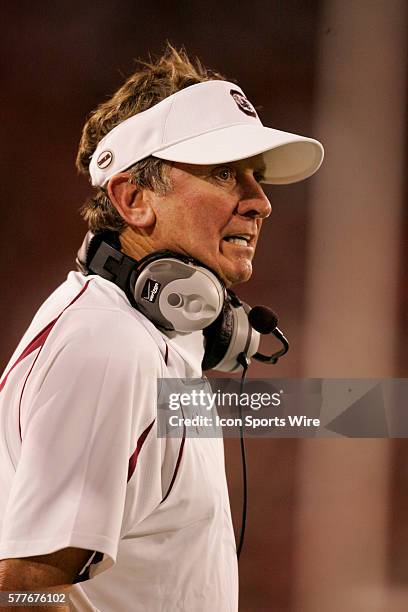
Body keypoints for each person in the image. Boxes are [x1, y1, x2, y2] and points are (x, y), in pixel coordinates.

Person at [0, 45, 323, 611]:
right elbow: (22, 591)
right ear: (133, 198)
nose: (261, 202)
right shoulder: (107, 345)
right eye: (224, 173)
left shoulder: (151, 334)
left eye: (256, 175)